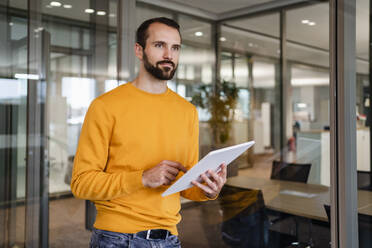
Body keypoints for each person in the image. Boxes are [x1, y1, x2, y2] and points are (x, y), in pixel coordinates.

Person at [70, 17, 227, 248]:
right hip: (117, 239)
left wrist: (208, 190)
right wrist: (142, 178)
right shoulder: (105, 106)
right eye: (159, 45)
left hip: (170, 239)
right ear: (139, 50)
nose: (168, 54)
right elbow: (81, 183)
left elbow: (185, 183)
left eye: (175, 47)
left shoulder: (187, 112)